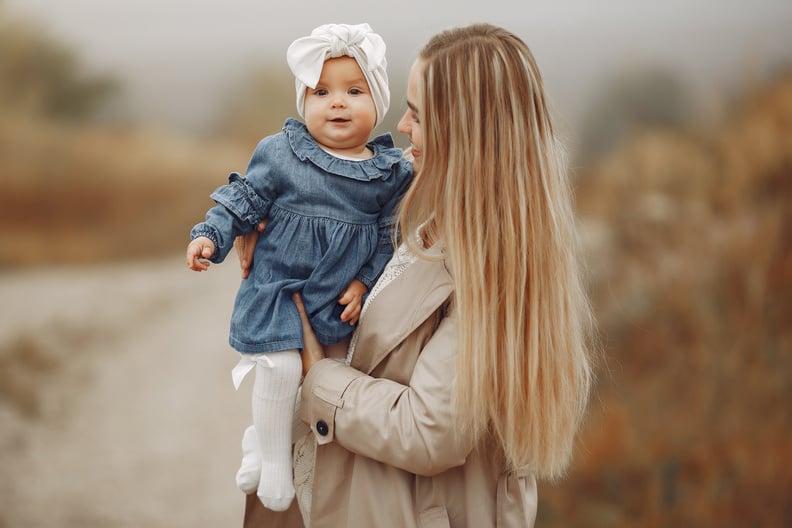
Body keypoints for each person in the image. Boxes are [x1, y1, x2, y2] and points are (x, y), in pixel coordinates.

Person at [237, 23, 594, 527]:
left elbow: (429, 431)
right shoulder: (423, 199)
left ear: (465, 134)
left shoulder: (494, 260)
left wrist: (319, 378)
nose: (402, 126)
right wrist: (266, 219)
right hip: (355, 496)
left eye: (420, 116)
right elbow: (329, 180)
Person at [185, 23, 412, 512]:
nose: (336, 102)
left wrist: (363, 279)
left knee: (321, 382)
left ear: (380, 102)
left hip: (334, 296)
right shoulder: (282, 152)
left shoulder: (389, 172)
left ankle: (266, 443)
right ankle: (272, 461)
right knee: (281, 367)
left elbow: (386, 236)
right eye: (321, 91)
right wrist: (210, 235)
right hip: (278, 283)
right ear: (303, 101)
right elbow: (245, 199)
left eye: (354, 91)